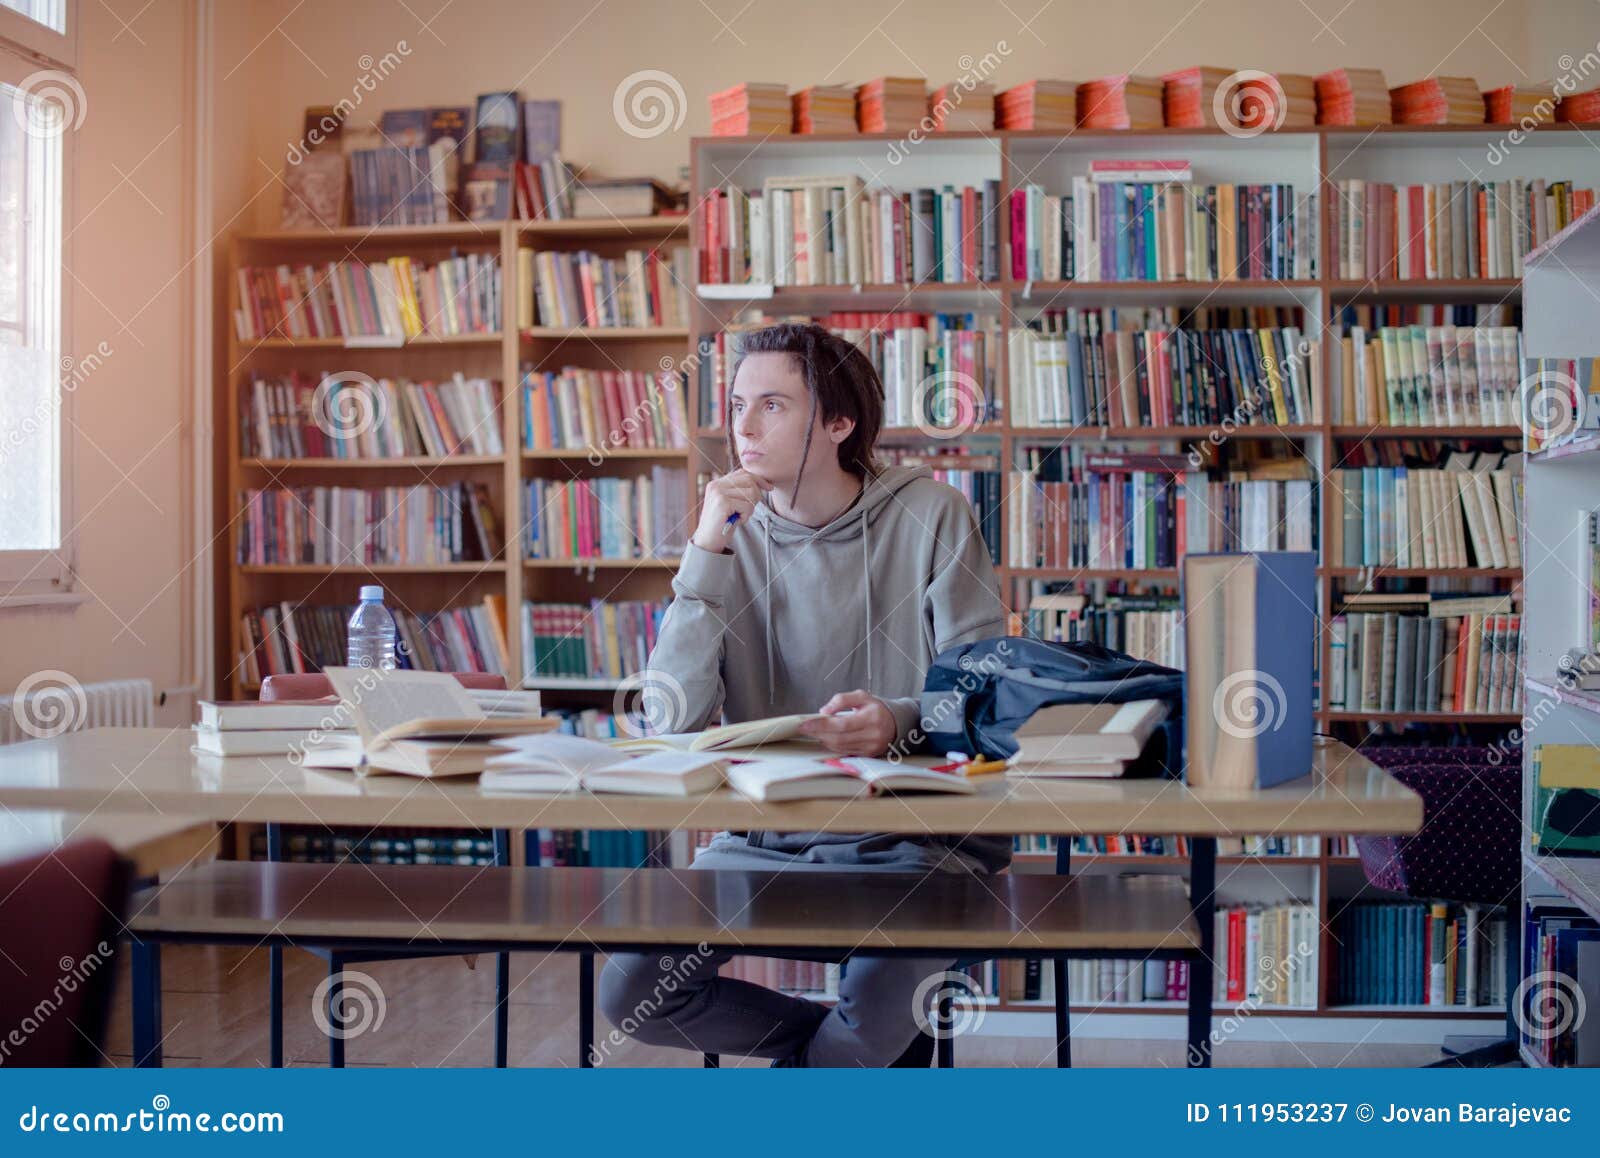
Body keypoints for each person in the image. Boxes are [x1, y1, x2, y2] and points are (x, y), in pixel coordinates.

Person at [598, 321, 1009, 1067]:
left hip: (916, 843)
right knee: (630, 993)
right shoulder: (729, 535)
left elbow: (985, 692)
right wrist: (704, 555)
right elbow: (670, 717)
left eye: (773, 406)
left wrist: (900, 720)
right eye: (736, 405)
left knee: (886, 1003)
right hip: (765, 838)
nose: (743, 429)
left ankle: (833, 1071)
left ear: (839, 421)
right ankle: (820, 1060)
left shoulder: (932, 516)